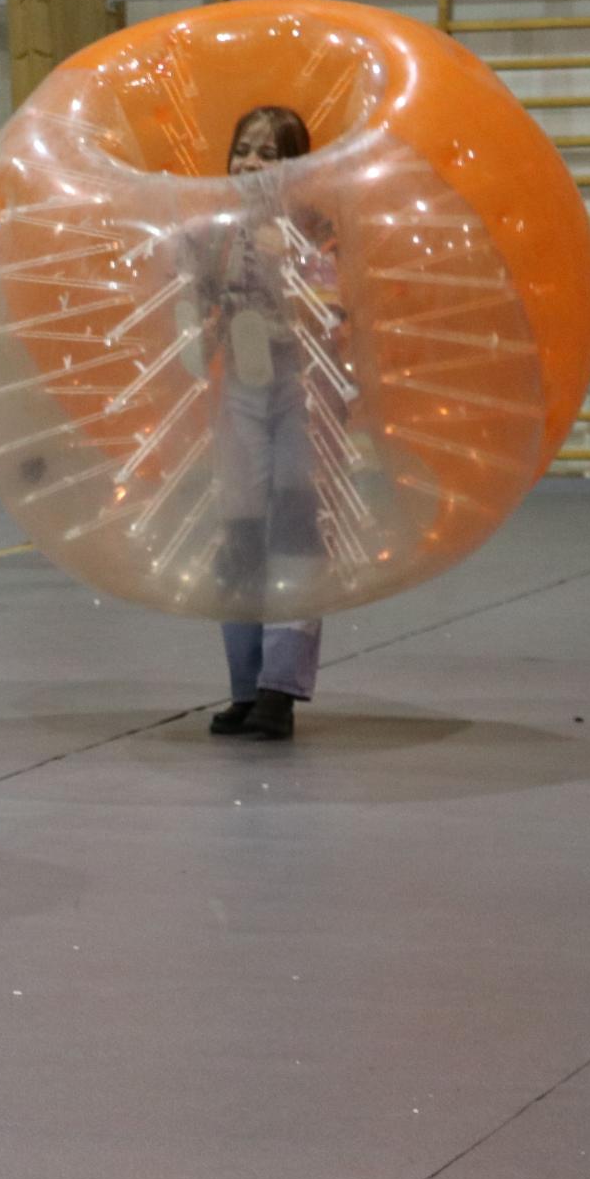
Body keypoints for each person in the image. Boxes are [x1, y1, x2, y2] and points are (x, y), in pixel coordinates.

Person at [200, 105, 340, 742]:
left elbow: (335, 310)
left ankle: (280, 687)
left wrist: (295, 266)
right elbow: (192, 307)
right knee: (240, 529)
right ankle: (244, 684)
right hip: (241, 389)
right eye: (243, 148)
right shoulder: (214, 231)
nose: (250, 163)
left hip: (301, 390)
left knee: (295, 525)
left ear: (294, 168)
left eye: (268, 153)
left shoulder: (315, 229)